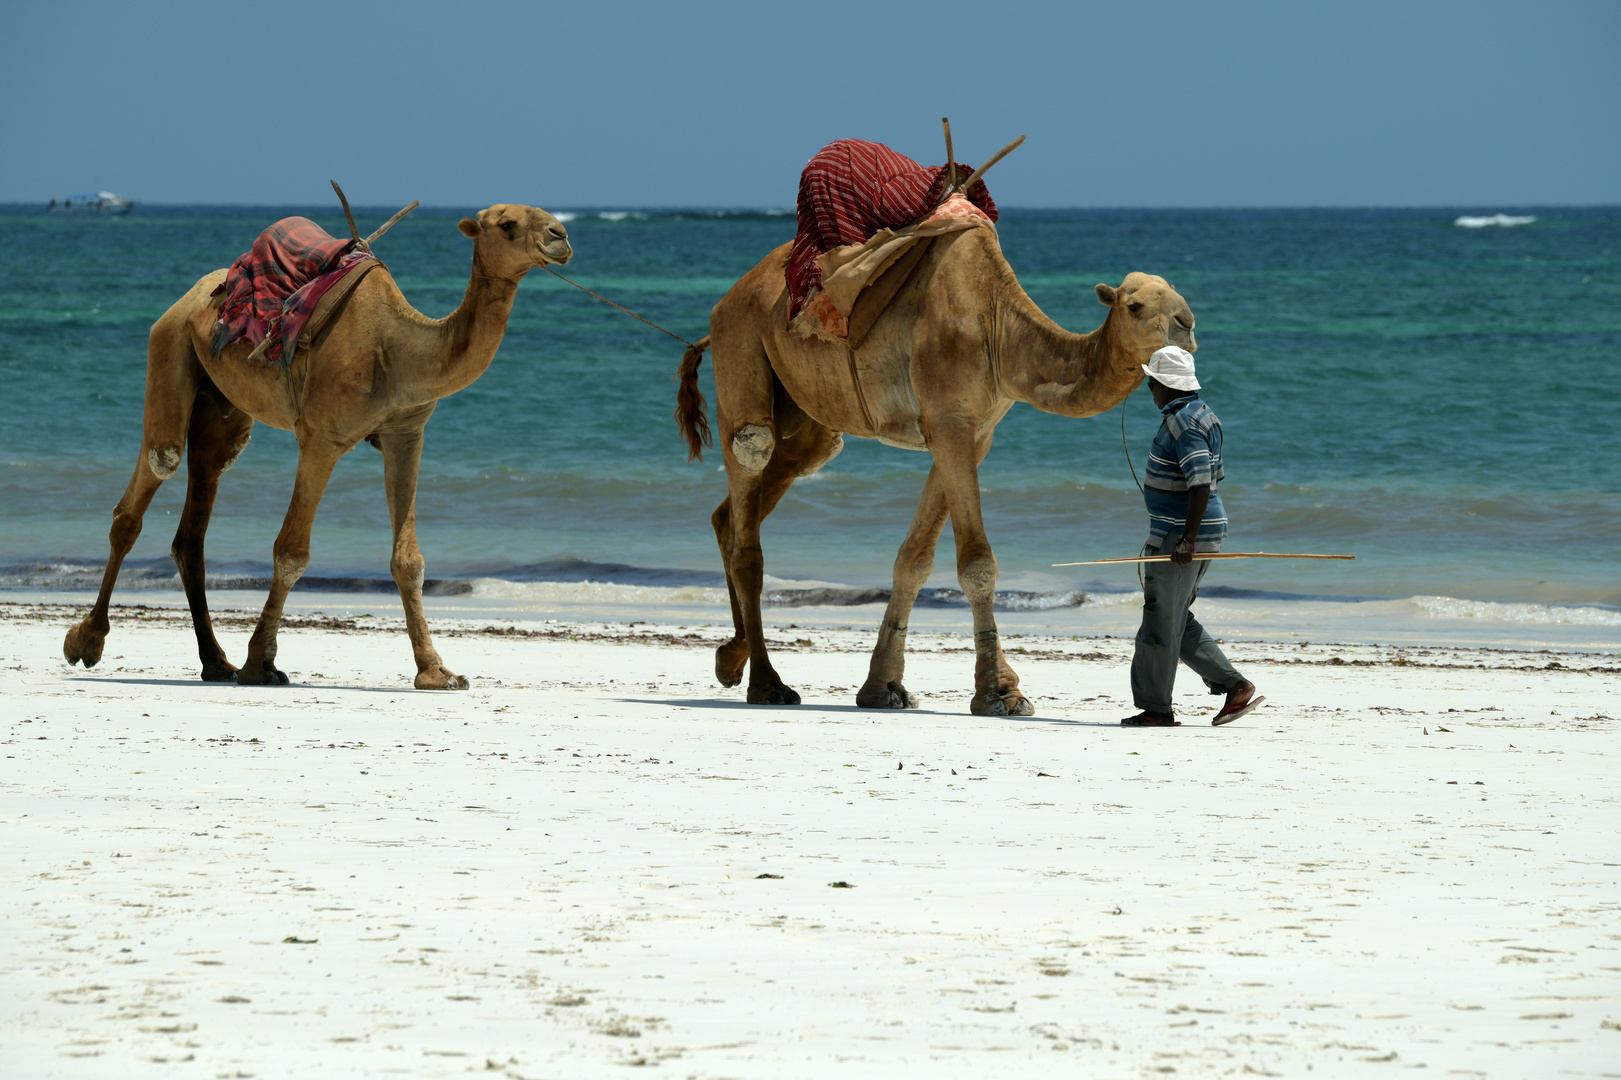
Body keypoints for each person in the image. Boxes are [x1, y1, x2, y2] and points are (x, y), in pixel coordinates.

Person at [1121, 346, 1263, 727]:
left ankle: (1156, 709)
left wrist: (1186, 538)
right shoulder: (1203, 414)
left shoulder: (1182, 423)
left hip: (1181, 534)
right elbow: (1214, 478)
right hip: (1193, 529)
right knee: (1174, 617)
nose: (1149, 388)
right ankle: (1234, 687)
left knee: (1160, 619)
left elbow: (1200, 482)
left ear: (1167, 384)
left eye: (1153, 381)